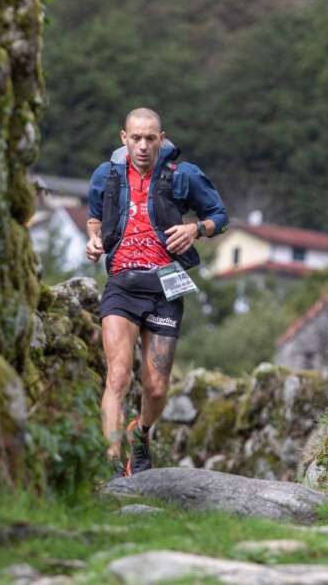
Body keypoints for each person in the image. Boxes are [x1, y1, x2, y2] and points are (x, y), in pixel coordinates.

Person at [85, 107, 229, 477]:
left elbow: (221, 216)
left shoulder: (183, 176)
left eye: (151, 138)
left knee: (157, 387)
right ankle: (112, 462)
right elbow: (94, 216)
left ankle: (141, 432)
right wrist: (93, 238)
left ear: (162, 138)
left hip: (165, 284)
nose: (144, 146)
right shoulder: (108, 175)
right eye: (136, 138)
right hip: (121, 283)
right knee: (118, 376)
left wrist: (195, 230)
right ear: (124, 138)